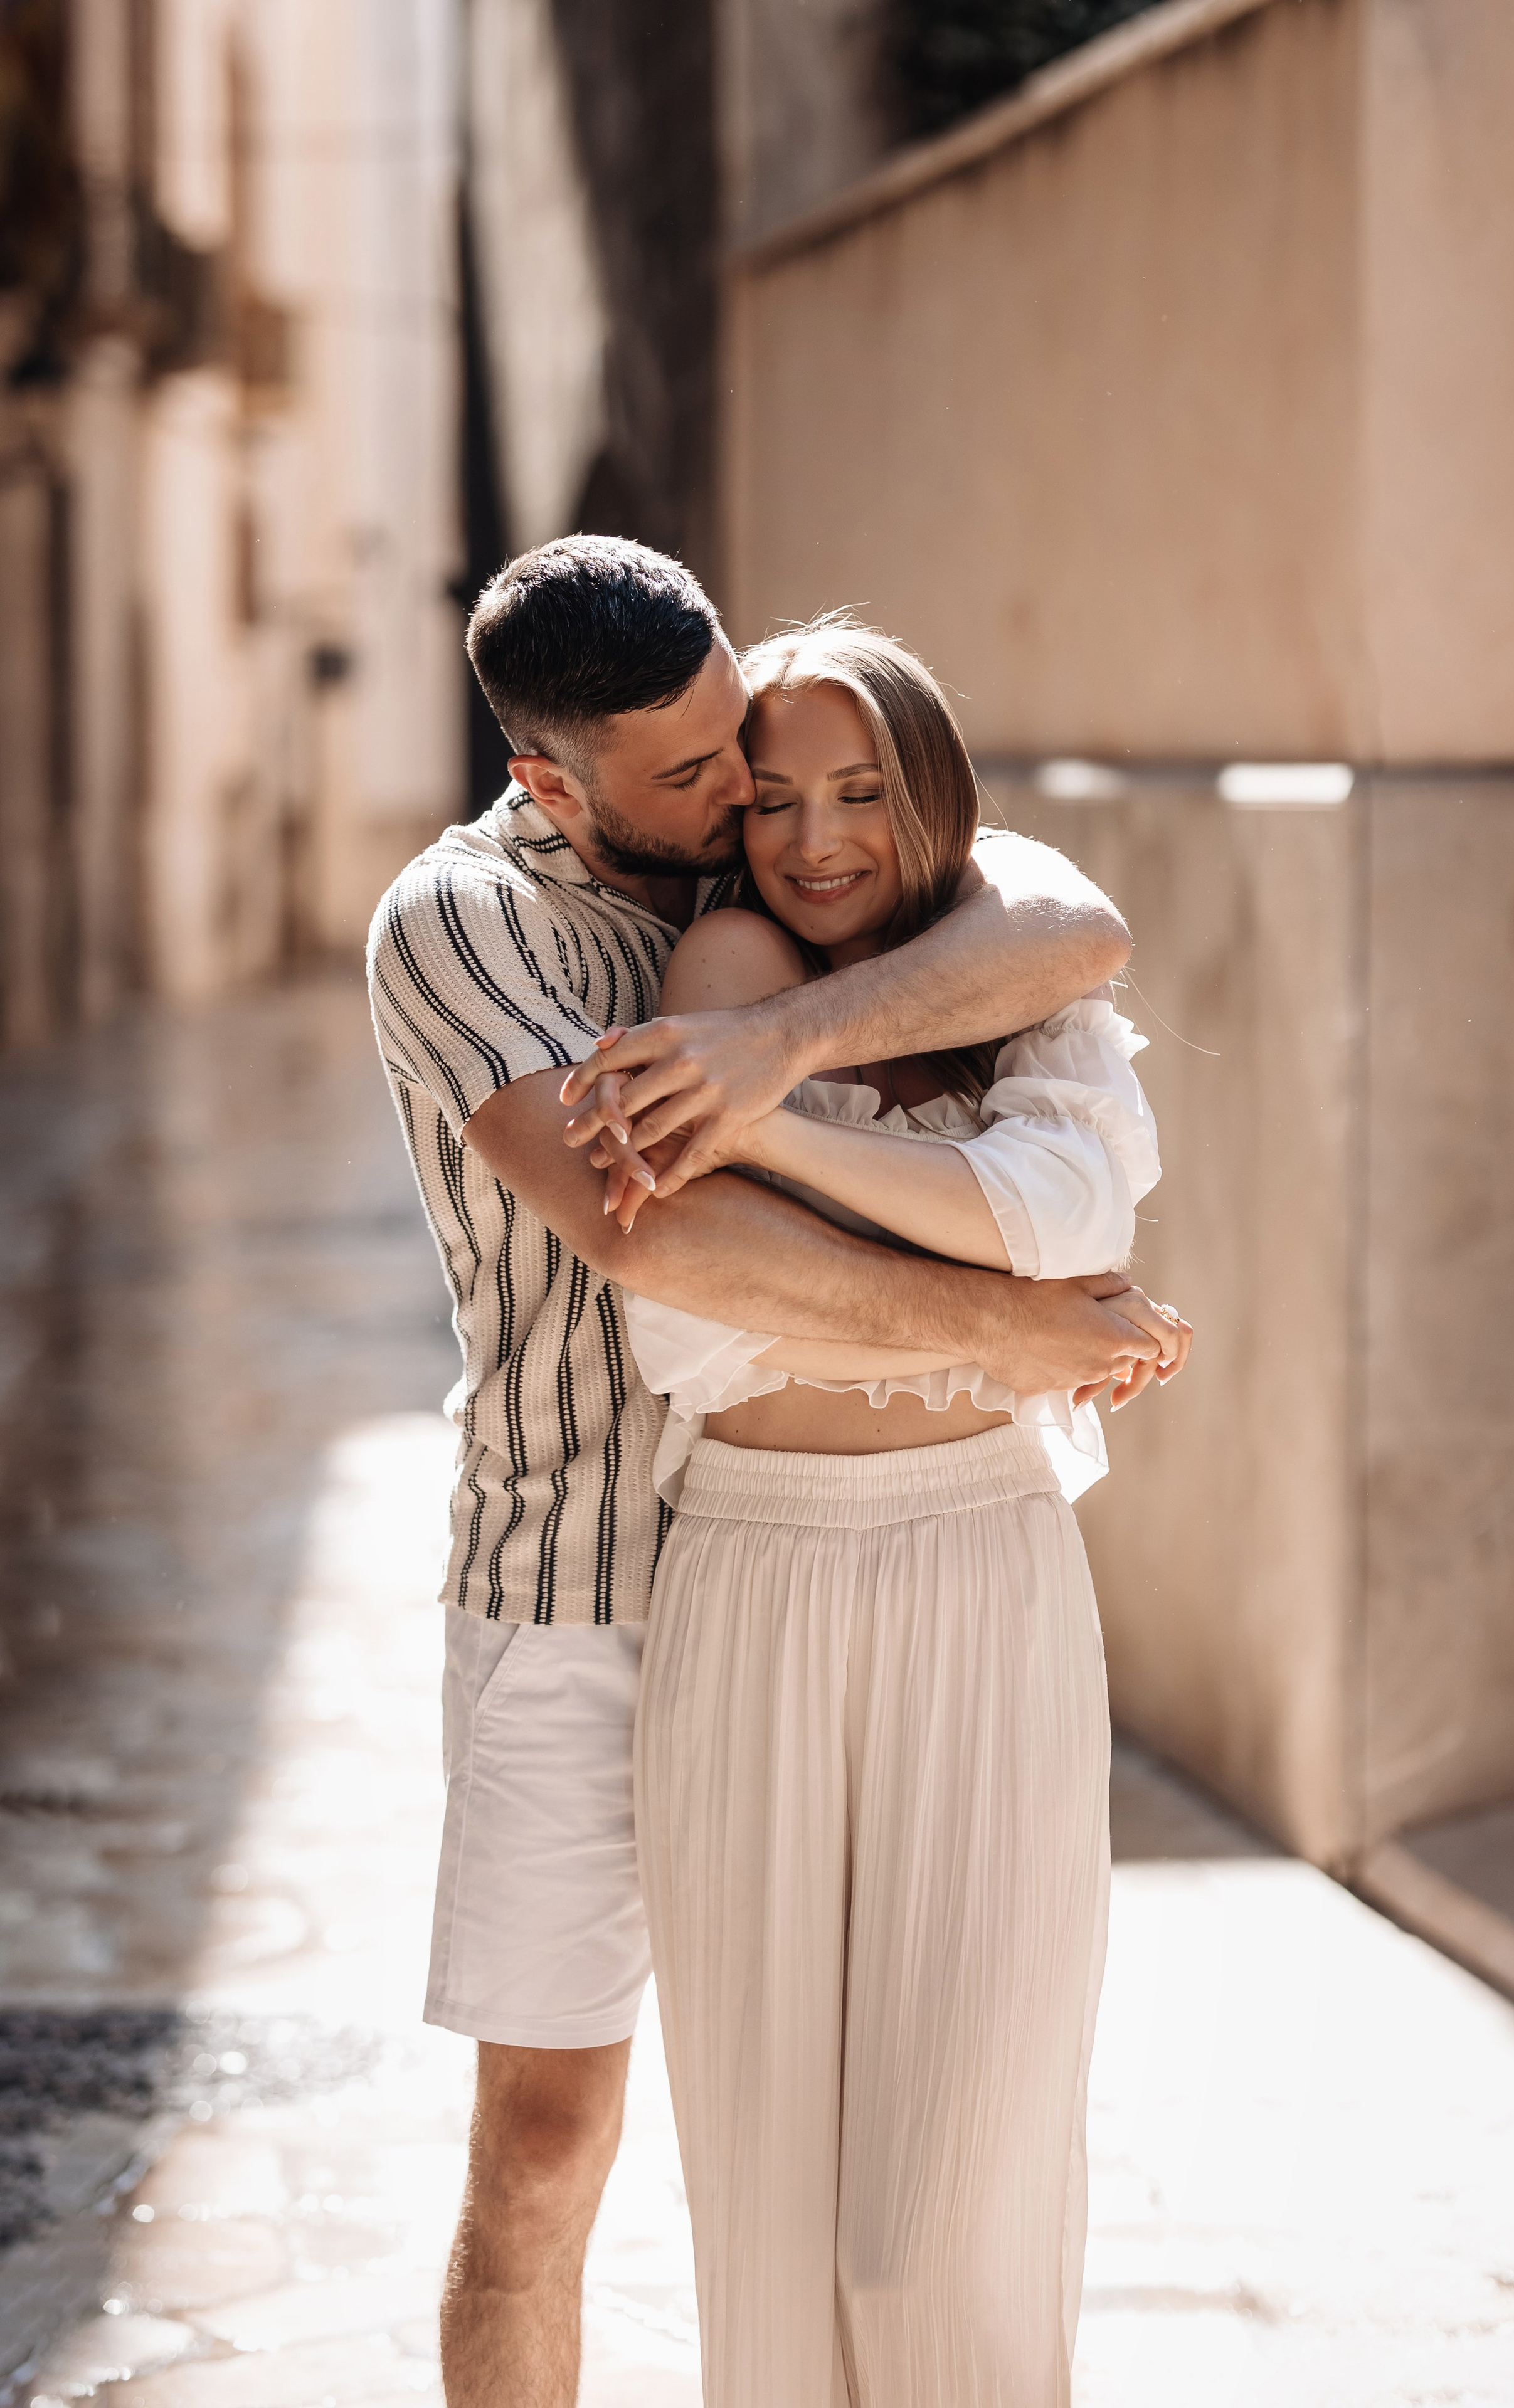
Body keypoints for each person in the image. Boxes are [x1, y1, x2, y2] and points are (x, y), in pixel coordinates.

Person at [368, 536, 1179, 2408]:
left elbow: (1069, 933)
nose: (747, 795)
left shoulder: (776, 830)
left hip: (853, 1558)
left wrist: (775, 1039)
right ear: (546, 781)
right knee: (552, 2150)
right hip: (582, 1580)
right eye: (695, 772)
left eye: (742, 733)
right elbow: (663, 1249)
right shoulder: (462, 924)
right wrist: (1011, 1329)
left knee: (922, 2178)